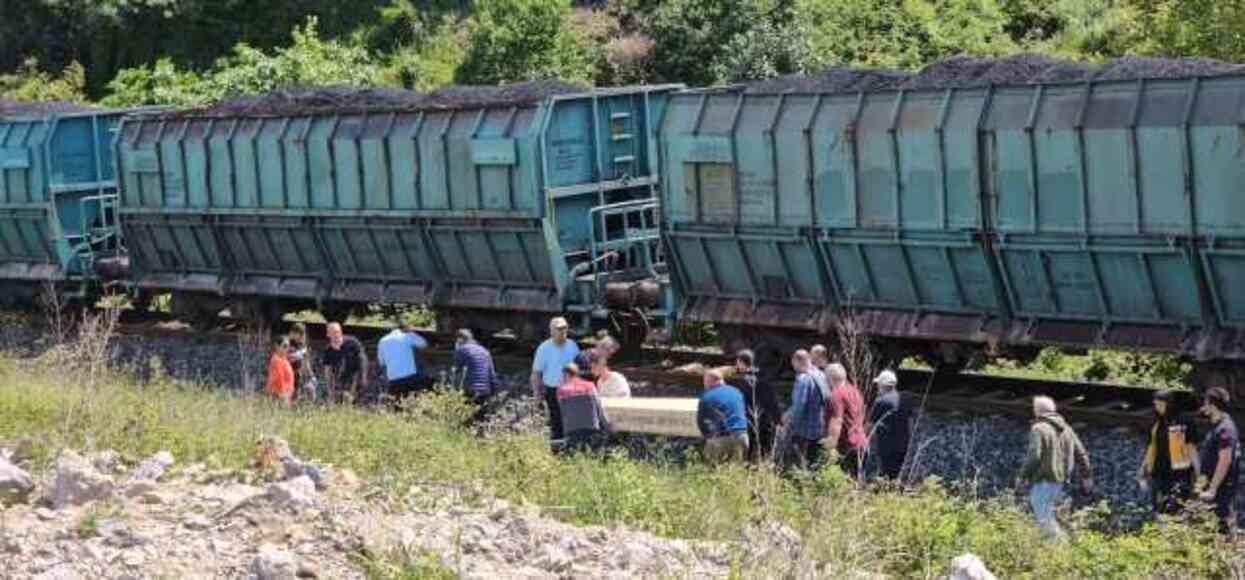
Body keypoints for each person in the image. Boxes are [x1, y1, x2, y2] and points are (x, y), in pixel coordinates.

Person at [1017, 396, 1093, 541]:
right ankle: (1066, 546)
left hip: (1044, 481)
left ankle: (1061, 549)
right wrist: (1086, 476)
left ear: (1036, 411)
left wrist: (1022, 476)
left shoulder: (1038, 428)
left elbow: (1035, 455)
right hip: (1062, 481)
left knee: (1045, 519)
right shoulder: (1067, 430)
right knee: (1057, 518)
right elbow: (1081, 453)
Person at [1136, 389, 1198, 515]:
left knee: (1175, 508)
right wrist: (1143, 467)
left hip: (1178, 475)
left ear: (1168, 404)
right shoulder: (1157, 422)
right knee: (1158, 507)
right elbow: (1152, 446)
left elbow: (1191, 447)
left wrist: (1198, 471)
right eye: (1156, 404)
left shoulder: (1182, 421)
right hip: (1158, 472)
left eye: (1160, 404)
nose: (1157, 407)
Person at [1196, 387, 1239, 535]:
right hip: (1213, 484)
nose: (1203, 407)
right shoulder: (1217, 424)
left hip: (1221, 487)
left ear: (1213, 406)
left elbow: (1225, 460)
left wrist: (1213, 488)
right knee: (1212, 524)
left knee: (1222, 524)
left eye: (1205, 403)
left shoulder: (1225, 429)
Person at [531, 317, 580, 440]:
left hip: (571, 390)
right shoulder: (544, 348)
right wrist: (537, 394)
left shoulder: (572, 345)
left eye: (565, 328)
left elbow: (578, 368)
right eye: (559, 328)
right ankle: (557, 448)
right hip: (553, 390)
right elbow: (536, 373)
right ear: (551, 331)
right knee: (556, 420)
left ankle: (570, 446)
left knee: (572, 420)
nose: (563, 331)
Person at [784, 350, 829, 470]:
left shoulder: (803, 379)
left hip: (805, 431)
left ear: (797, 362)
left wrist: (790, 425)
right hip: (819, 427)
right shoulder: (821, 375)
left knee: (800, 463)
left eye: (793, 365)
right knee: (815, 463)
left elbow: (799, 406)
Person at [735, 349, 781, 462]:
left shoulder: (743, 381)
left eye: (737, 362)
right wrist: (778, 419)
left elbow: (741, 404)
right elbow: (772, 401)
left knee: (749, 454)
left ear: (741, 362)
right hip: (766, 423)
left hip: (749, 423)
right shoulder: (764, 377)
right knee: (765, 454)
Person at [824, 363, 868, 478]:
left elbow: (836, 421)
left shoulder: (836, 395)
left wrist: (831, 447)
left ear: (830, 378)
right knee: (857, 481)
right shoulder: (855, 391)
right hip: (861, 442)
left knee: (844, 483)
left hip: (847, 446)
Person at [697, 369, 748, 463]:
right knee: (736, 472)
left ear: (709, 382)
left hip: (720, 439)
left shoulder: (706, 396)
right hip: (742, 436)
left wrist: (707, 438)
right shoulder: (737, 392)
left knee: (712, 471)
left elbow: (701, 422)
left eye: (704, 382)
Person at [556, 363, 610, 453]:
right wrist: (606, 425)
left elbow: (562, 412)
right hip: (592, 427)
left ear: (565, 374)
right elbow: (599, 407)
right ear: (577, 374)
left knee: (575, 455)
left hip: (572, 429)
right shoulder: (590, 386)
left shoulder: (561, 390)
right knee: (593, 455)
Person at [867, 369, 911, 479]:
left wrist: (863, 438)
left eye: (878, 384)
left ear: (882, 385)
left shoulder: (881, 401)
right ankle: (895, 490)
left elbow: (870, 424)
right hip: (903, 441)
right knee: (897, 470)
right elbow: (910, 419)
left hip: (887, 444)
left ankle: (886, 491)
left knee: (886, 470)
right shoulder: (905, 399)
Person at [377, 324, 430, 402]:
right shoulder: (407, 336)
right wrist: (411, 332)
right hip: (410, 379)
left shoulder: (382, 341)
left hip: (393, 381)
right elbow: (424, 344)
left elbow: (381, 363)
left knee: (397, 404)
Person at [322, 322, 368, 404]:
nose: (336, 335)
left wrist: (363, 377)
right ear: (328, 334)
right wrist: (329, 389)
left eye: (337, 332)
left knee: (353, 400)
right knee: (340, 401)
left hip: (355, 376)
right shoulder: (328, 351)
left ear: (341, 332)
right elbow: (327, 371)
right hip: (340, 378)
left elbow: (363, 360)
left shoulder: (353, 342)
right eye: (333, 333)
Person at [453, 329, 498, 409]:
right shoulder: (485, 351)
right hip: (485, 391)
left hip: (470, 391)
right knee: (481, 416)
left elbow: (456, 371)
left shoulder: (461, 350)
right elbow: (492, 374)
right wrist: (493, 392)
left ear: (460, 339)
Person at [286, 323, 316, 403]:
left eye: (303, 334)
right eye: (300, 334)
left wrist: (311, 375)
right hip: (289, 374)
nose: (302, 337)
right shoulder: (287, 344)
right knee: (289, 397)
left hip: (299, 375)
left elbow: (306, 362)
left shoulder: (302, 346)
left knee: (302, 395)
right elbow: (287, 358)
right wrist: (297, 355)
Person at [265, 337, 294, 407]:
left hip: (285, 395)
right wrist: (284, 395)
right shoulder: (277, 360)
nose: (287, 349)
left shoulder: (283, 359)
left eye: (288, 346)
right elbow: (279, 378)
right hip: (279, 396)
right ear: (277, 346)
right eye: (284, 346)